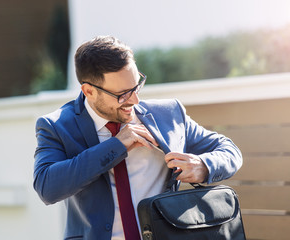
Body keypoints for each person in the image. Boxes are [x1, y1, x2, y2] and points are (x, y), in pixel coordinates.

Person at [33, 36, 242, 240]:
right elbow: (47, 187)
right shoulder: (56, 126)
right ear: (89, 91)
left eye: (136, 86)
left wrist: (203, 166)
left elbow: (229, 150)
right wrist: (117, 145)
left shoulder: (167, 115)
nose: (135, 99)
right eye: (123, 94)